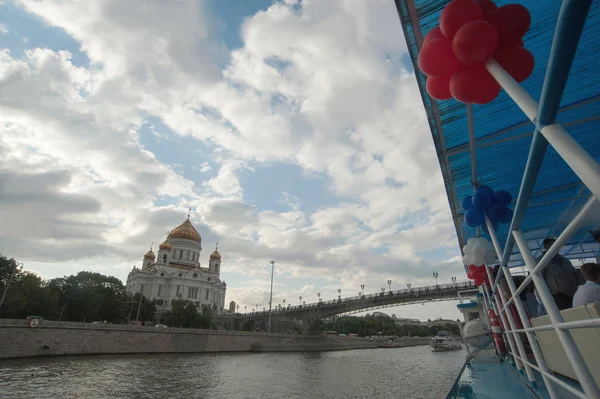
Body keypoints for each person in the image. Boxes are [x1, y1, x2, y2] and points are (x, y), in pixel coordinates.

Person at [536, 237, 585, 310]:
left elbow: (576, 276)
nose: (556, 247)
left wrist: (584, 289)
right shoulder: (541, 262)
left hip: (574, 295)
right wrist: (544, 301)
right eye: (553, 245)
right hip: (558, 298)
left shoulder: (565, 260)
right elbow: (537, 282)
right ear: (546, 246)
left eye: (558, 244)